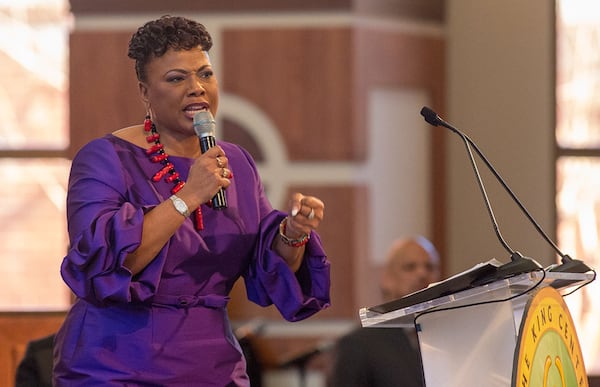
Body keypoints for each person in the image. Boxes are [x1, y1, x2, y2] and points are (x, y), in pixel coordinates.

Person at [53, 15, 331, 386]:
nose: (197, 88)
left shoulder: (236, 164)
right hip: (117, 362)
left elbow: (267, 269)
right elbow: (108, 265)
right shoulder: (104, 159)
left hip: (211, 364)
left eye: (205, 74)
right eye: (176, 78)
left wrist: (293, 233)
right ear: (144, 92)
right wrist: (187, 196)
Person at [329, 236, 440, 387]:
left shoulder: (450, 336)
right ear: (387, 278)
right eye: (410, 267)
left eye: (429, 267)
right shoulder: (358, 344)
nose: (422, 274)